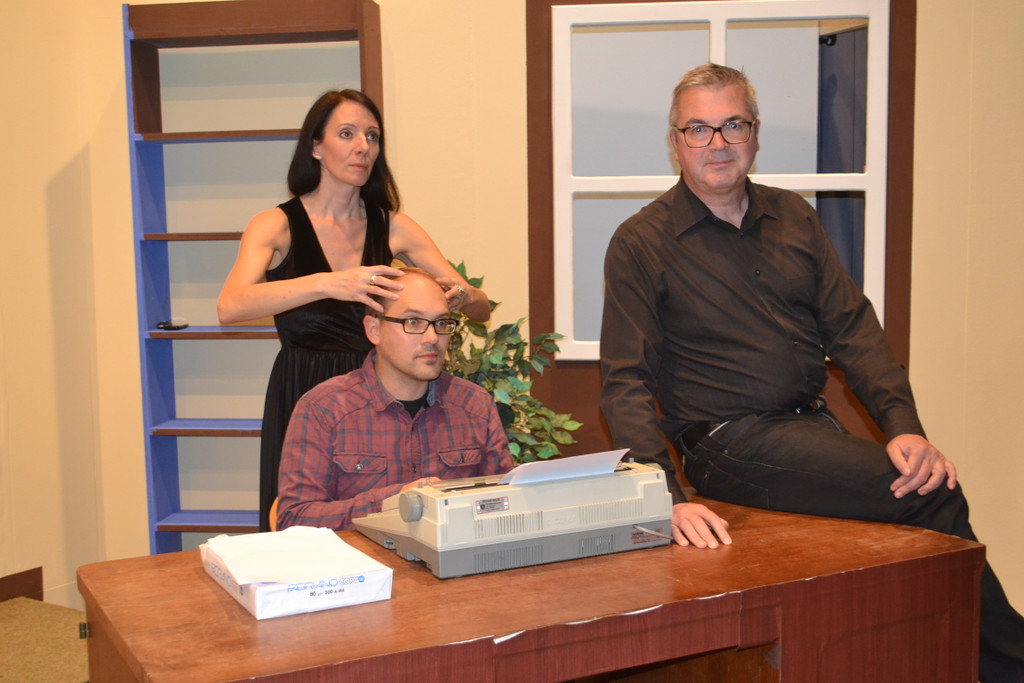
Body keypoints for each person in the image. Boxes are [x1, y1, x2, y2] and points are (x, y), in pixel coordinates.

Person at [599, 63, 1024, 681]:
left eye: (733, 124)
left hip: (806, 428)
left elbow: (853, 328)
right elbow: (625, 381)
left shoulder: (793, 216)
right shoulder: (641, 242)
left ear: (755, 133)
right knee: (930, 494)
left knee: (921, 477)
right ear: (676, 142)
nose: (717, 143)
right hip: (724, 442)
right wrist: (664, 499)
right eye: (698, 129)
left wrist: (903, 426)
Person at [217, 90, 491, 531]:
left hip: (379, 396)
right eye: (347, 134)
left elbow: (480, 307)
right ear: (316, 147)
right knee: (299, 527)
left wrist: (460, 295)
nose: (363, 147)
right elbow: (230, 306)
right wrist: (328, 283)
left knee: (384, 521)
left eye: (372, 136)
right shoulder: (275, 225)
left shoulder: (393, 225)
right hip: (302, 386)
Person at [276, 267, 513, 530]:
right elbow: (294, 519)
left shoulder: (474, 405)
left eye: (441, 323)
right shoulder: (324, 409)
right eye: (413, 322)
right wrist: (393, 502)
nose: (432, 338)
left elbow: (505, 503)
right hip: (360, 557)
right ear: (374, 330)